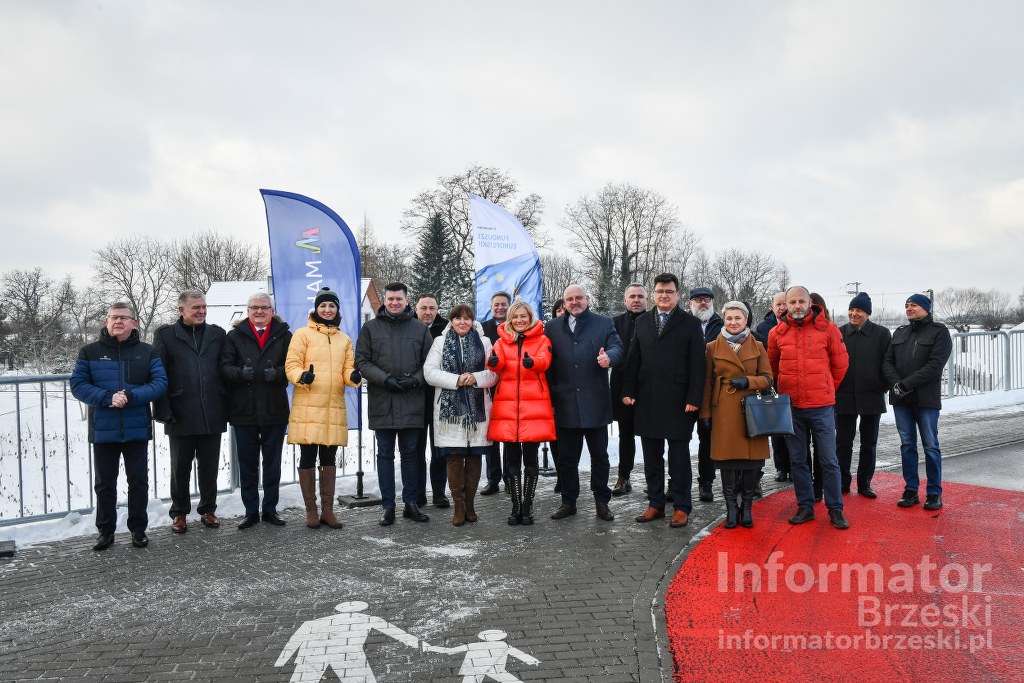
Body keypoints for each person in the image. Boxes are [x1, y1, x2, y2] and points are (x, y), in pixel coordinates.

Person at [71, 303, 167, 551]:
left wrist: (132, 396)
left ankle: (138, 530)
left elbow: (159, 383)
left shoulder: (147, 352)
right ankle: (105, 531)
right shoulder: (89, 352)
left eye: (124, 318)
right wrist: (107, 397)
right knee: (105, 484)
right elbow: (78, 385)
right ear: (106, 321)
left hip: (136, 428)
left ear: (134, 323)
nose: (118, 322)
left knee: (138, 482)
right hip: (104, 429)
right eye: (114, 317)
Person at [623, 274, 706, 528]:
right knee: (651, 457)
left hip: (679, 401)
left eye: (669, 291)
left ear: (677, 294)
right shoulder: (644, 321)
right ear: (654, 293)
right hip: (647, 399)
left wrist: (694, 397)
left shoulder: (690, 323)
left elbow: (698, 364)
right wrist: (628, 389)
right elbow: (634, 357)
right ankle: (656, 504)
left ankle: (682, 506)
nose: (664, 295)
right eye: (659, 291)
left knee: (679, 457)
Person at [768, 286, 850, 530]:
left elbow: (841, 365)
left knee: (829, 460)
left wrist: (826, 388)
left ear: (809, 302)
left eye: (801, 301)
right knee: (798, 460)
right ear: (786, 304)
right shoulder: (777, 333)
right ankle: (805, 506)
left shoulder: (829, 330)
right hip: (791, 407)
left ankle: (835, 509)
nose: (796, 306)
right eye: (791, 302)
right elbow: (772, 366)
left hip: (821, 407)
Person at [355, 282, 435, 526]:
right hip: (383, 401)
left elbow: (430, 362)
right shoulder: (370, 328)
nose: (394, 303)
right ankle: (388, 505)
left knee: (412, 454)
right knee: (385, 455)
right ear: (384, 302)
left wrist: (416, 381)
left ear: (407, 300)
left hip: (412, 401)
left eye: (399, 299)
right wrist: (385, 379)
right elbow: (362, 361)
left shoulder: (420, 329)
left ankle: (411, 503)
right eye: (390, 299)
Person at [545, 284, 624, 521]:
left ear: (587, 299)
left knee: (599, 456)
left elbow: (618, 347)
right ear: (565, 302)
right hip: (565, 403)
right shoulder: (551, 327)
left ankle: (602, 501)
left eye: (579, 298)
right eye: (570, 299)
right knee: (567, 458)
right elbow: (546, 362)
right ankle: (568, 502)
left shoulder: (603, 323)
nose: (574, 302)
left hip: (595, 403)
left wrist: (609, 357)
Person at [285, 287, 362, 529]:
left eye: (332, 306)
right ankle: (311, 510)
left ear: (337, 309)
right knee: (308, 456)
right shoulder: (302, 334)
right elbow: (291, 365)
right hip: (308, 406)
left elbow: (347, 370)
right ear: (316, 309)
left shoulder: (345, 339)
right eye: (323, 306)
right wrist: (302, 376)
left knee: (329, 458)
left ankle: (328, 511)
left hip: (333, 407)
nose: (327, 310)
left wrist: (355, 376)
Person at [153, 290, 227, 534]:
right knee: (180, 468)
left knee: (209, 466)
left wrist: (226, 403)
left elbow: (224, 370)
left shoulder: (217, 334)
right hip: (180, 412)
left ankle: (208, 509)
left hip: (211, 411)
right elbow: (159, 374)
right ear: (181, 310)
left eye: (204, 307)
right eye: (196, 307)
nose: (201, 311)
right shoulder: (165, 336)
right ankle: (180, 513)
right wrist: (162, 409)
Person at [220, 292, 292, 529]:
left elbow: (294, 365)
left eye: (264, 307)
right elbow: (224, 367)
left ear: (272, 311)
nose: (259, 312)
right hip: (244, 411)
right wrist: (240, 374)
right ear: (248, 310)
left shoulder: (284, 335)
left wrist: (279, 373)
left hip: (274, 409)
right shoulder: (234, 336)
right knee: (248, 465)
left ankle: (270, 509)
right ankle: (251, 511)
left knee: (272, 464)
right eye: (254, 308)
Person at [699, 301, 773, 528]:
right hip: (724, 412)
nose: (733, 322)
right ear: (724, 320)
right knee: (727, 463)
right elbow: (707, 383)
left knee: (751, 463)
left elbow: (768, 379)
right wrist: (705, 413)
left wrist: (748, 381)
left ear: (746, 320)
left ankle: (747, 508)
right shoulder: (712, 346)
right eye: (729, 318)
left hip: (752, 410)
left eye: (738, 318)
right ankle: (731, 508)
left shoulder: (758, 345)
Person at [423, 304, 498, 526]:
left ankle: (471, 504)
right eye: (458, 318)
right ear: (451, 321)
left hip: (477, 411)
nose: (462, 322)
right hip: (449, 414)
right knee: (454, 458)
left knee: (474, 457)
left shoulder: (484, 342)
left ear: (472, 321)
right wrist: (457, 380)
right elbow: (430, 372)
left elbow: (494, 372)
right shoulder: (440, 341)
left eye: (467, 319)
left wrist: (475, 377)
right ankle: (459, 506)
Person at [486, 301, 556, 525]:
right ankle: (515, 506)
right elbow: (494, 365)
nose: (519, 320)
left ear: (530, 317)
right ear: (510, 319)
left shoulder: (542, 339)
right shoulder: (501, 341)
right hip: (508, 407)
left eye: (523, 316)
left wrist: (532, 362)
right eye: (515, 317)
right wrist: (493, 362)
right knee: (512, 460)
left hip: (533, 406)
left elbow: (545, 361)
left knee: (532, 459)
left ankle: (528, 506)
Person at [883, 294, 953, 510]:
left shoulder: (939, 332)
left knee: (931, 446)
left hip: (925, 400)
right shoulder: (900, 332)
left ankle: (934, 493)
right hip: (901, 400)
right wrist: (896, 384)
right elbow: (887, 361)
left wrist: (905, 385)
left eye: (913, 305)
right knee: (907, 445)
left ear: (925, 308)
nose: (909, 308)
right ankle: (911, 490)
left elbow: (935, 365)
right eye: (906, 305)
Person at [835, 292, 891, 498]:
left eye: (858, 310)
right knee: (842, 443)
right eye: (851, 309)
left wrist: (881, 386)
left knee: (869, 443)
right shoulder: (839, 333)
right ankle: (842, 482)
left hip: (872, 396)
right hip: (844, 396)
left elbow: (888, 362)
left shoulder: (882, 334)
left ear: (867, 313)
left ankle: (865, 483)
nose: (853, 313)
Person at [610, 283, 647, 496]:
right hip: (622, 387)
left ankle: (656, 478)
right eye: (632, 296)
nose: (636, 300)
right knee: (626, 435)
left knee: (654, 436)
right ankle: (624, 476)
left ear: (646, 300)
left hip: (649, 387)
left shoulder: (654, 322)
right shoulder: (614, 323)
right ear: (625, 301)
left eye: (640, 296)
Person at [415, 293, 449, 508]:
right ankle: (418, 493)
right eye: (424, 308)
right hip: (414, 398)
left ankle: (439, 492)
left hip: (439, 397)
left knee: (440, 450)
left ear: (437, 309)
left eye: (432, 308)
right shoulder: (408, 327)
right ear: (416, 308)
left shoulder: (446, 329)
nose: (428, 312)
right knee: (416, 450)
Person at [688, 286, 722, 502]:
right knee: (679, 440)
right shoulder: (683, 323)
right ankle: (676, 483)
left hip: (711, 392)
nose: (703, 303)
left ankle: (706, 483)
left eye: (707, 299)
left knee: (707, 440)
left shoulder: (722, 325)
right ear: (690, 303)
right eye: (698, 299)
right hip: (684, 391)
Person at [479, 291, 511, 496]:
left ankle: (510, 477)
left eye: (503, 304)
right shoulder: (482, 329)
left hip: (509, 388)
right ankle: (493, 478)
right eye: (496, 304)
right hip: (488, 390)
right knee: (491, 437)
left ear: (510, 305)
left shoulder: (516, 325)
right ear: (491, 307)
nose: (500, 307)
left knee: (509, 437)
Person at [759, 292, 791, 482]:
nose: (782, 307)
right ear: (772, 307)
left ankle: (796, 467)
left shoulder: (797, 324)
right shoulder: (764, 328)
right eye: (778, 304)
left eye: (784, 303)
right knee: (777, 431)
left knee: (793, 430)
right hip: (773, 384)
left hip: (793, 384)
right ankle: (781, 468)